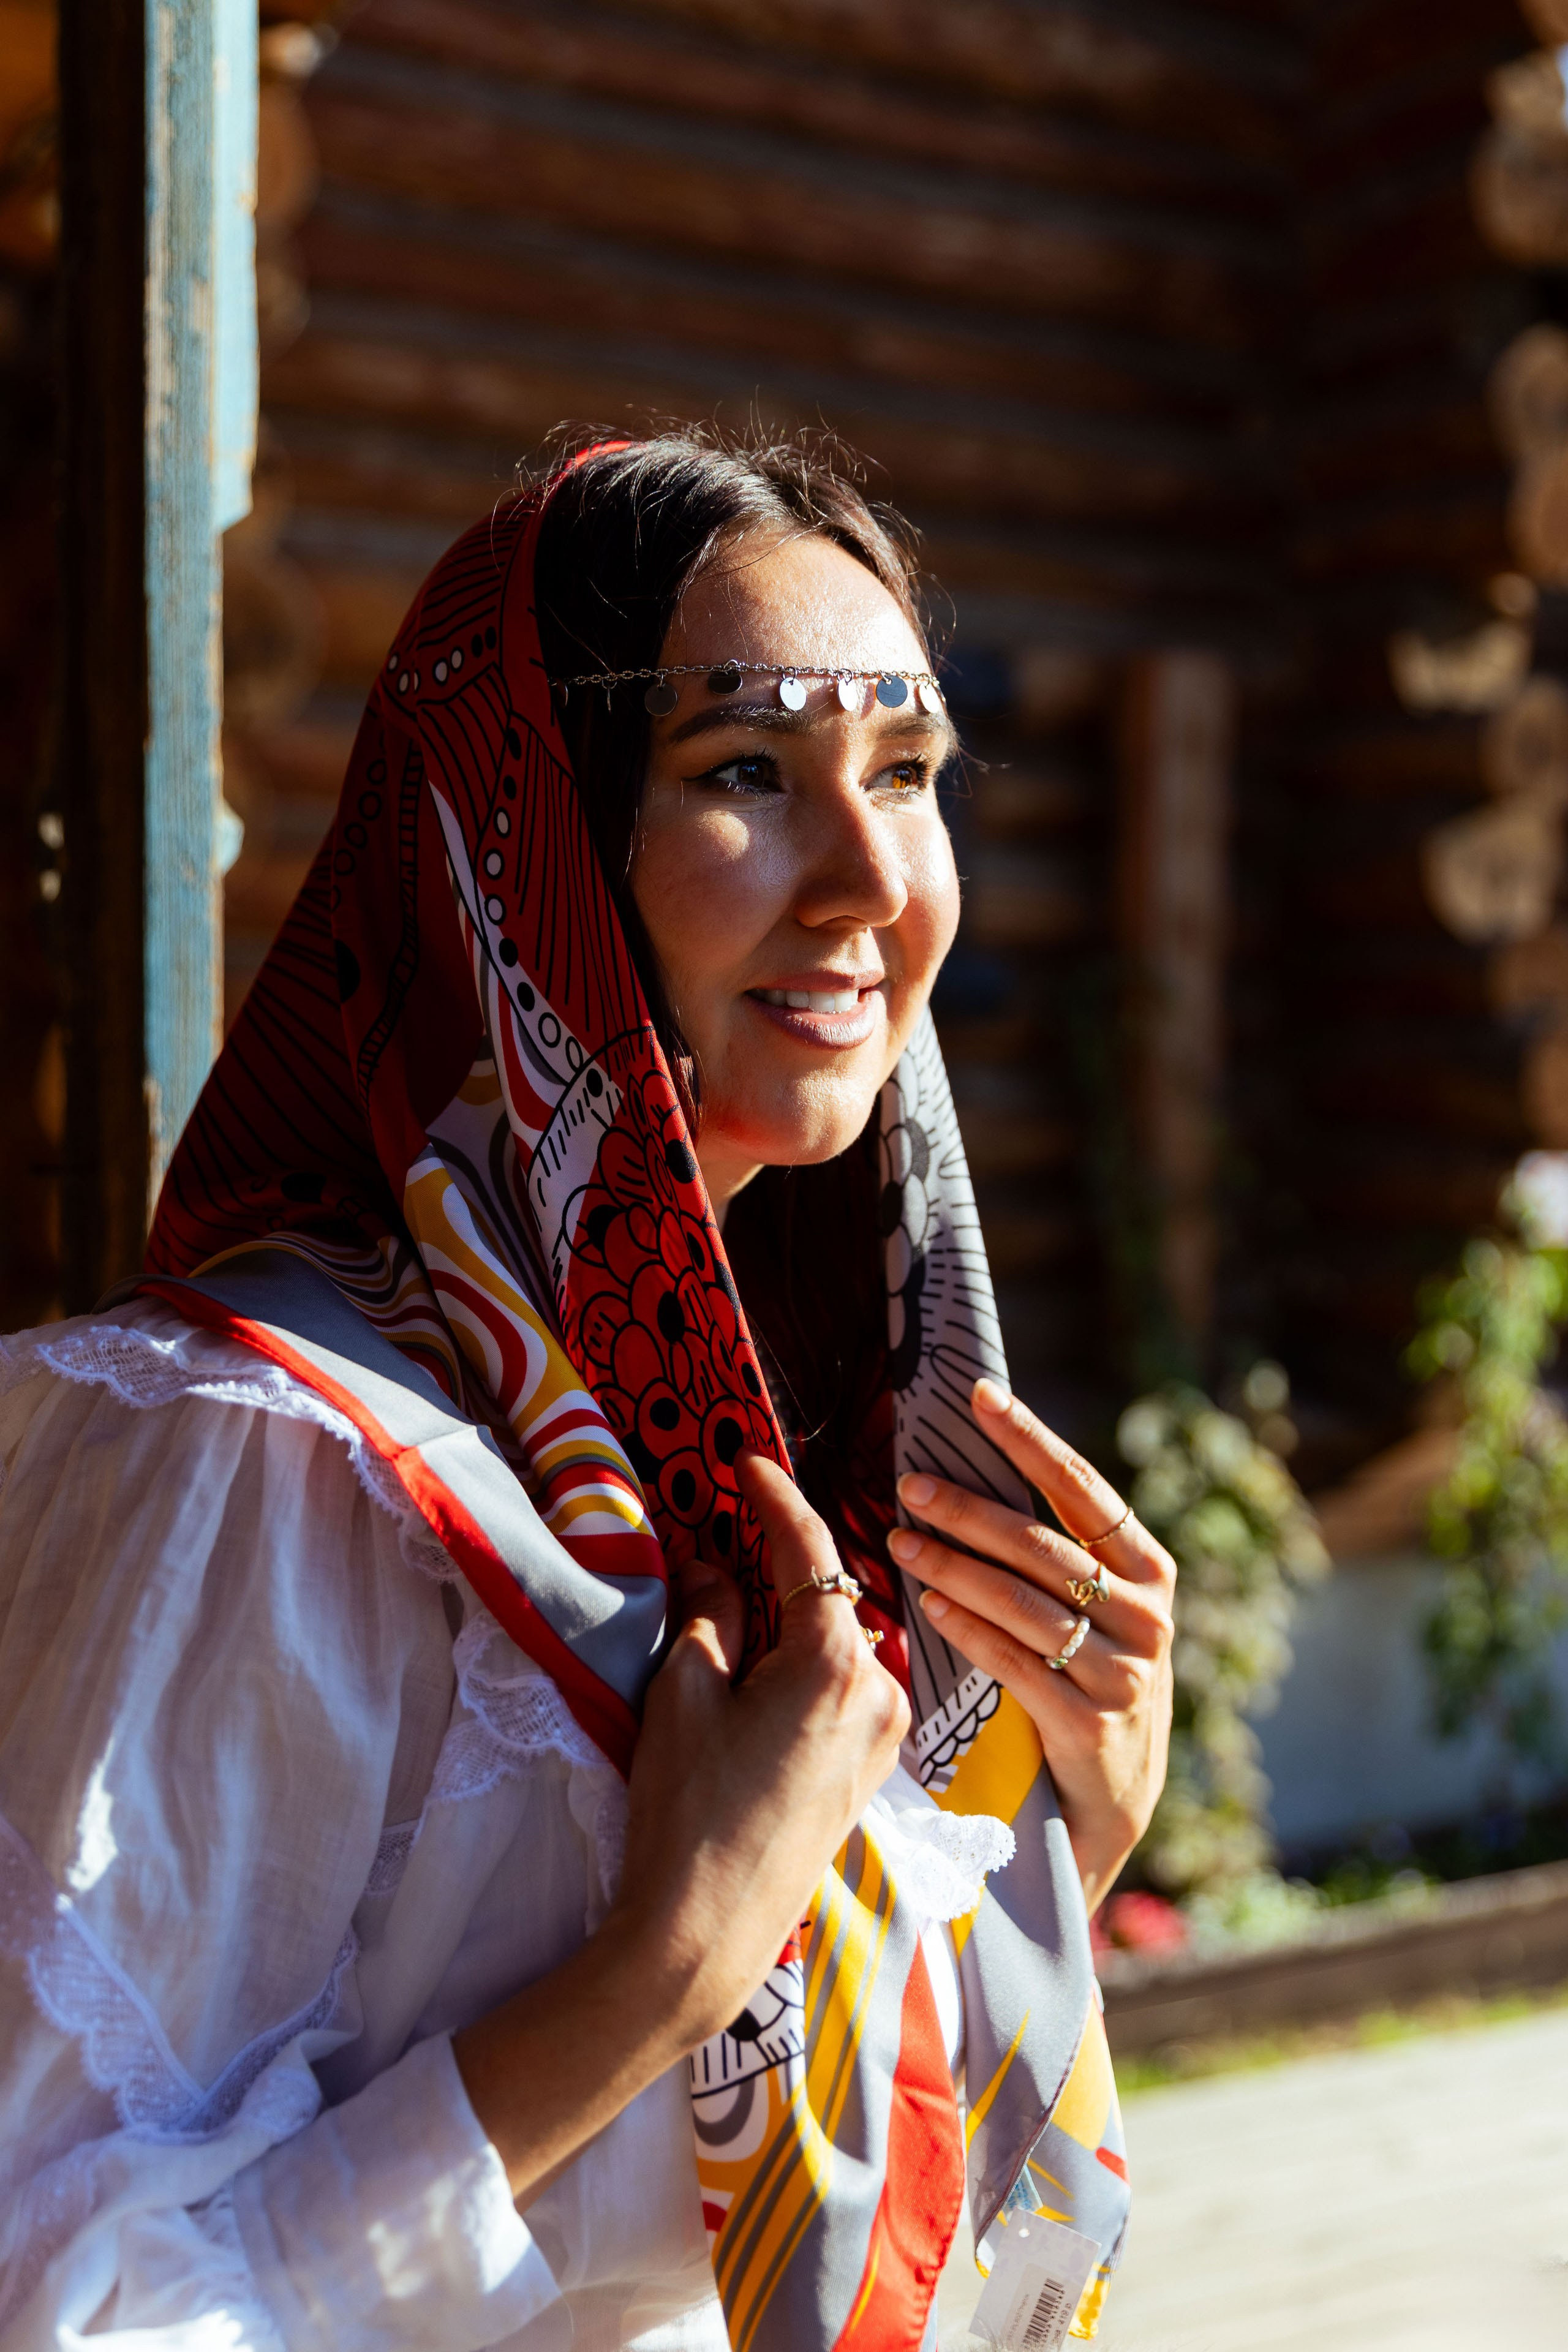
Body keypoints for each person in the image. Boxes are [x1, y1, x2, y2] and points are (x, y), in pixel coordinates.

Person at [0, 431, 1174, 2352]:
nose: (869, 881)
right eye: (745, 773)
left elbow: (837, 2214)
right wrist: (664, 1968)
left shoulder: (798, 1453)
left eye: (906, 773)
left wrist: (1064, 1828)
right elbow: (59, 2300)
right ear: (522, 853)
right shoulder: (260, 1458)